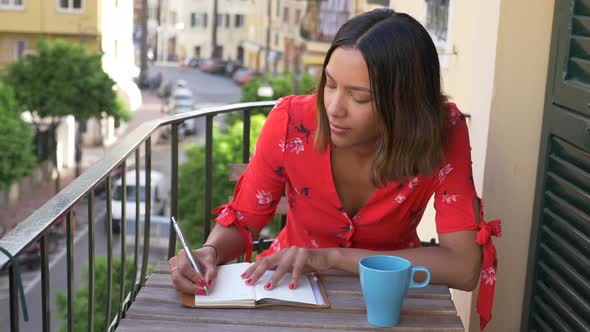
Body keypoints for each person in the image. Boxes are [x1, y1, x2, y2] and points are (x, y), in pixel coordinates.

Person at [168, 8, 501, 330]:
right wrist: (209, 251)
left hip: (390, 303)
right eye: (329, 84)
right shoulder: (290, 123)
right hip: (287, 293)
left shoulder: (443, 132)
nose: (333, 108)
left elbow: (463, 267)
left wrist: (330, 259)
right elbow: (242, 220)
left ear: (406, 103)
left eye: (359, 98)